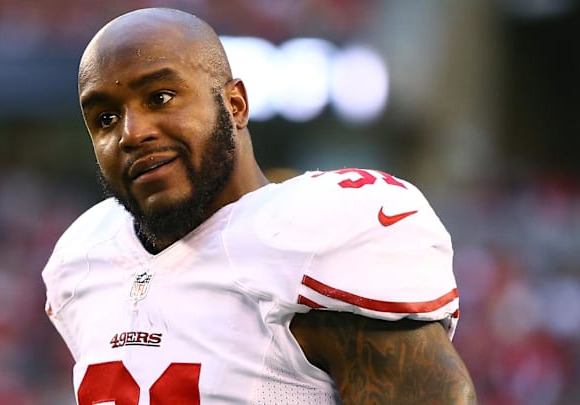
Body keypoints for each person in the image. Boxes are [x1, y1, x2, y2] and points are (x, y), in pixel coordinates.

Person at [42, 7, 477, 405]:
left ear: (235, 105)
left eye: (160, 98)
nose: (132, 133)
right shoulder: (82, 259)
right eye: (105, 119)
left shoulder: (313, 236)